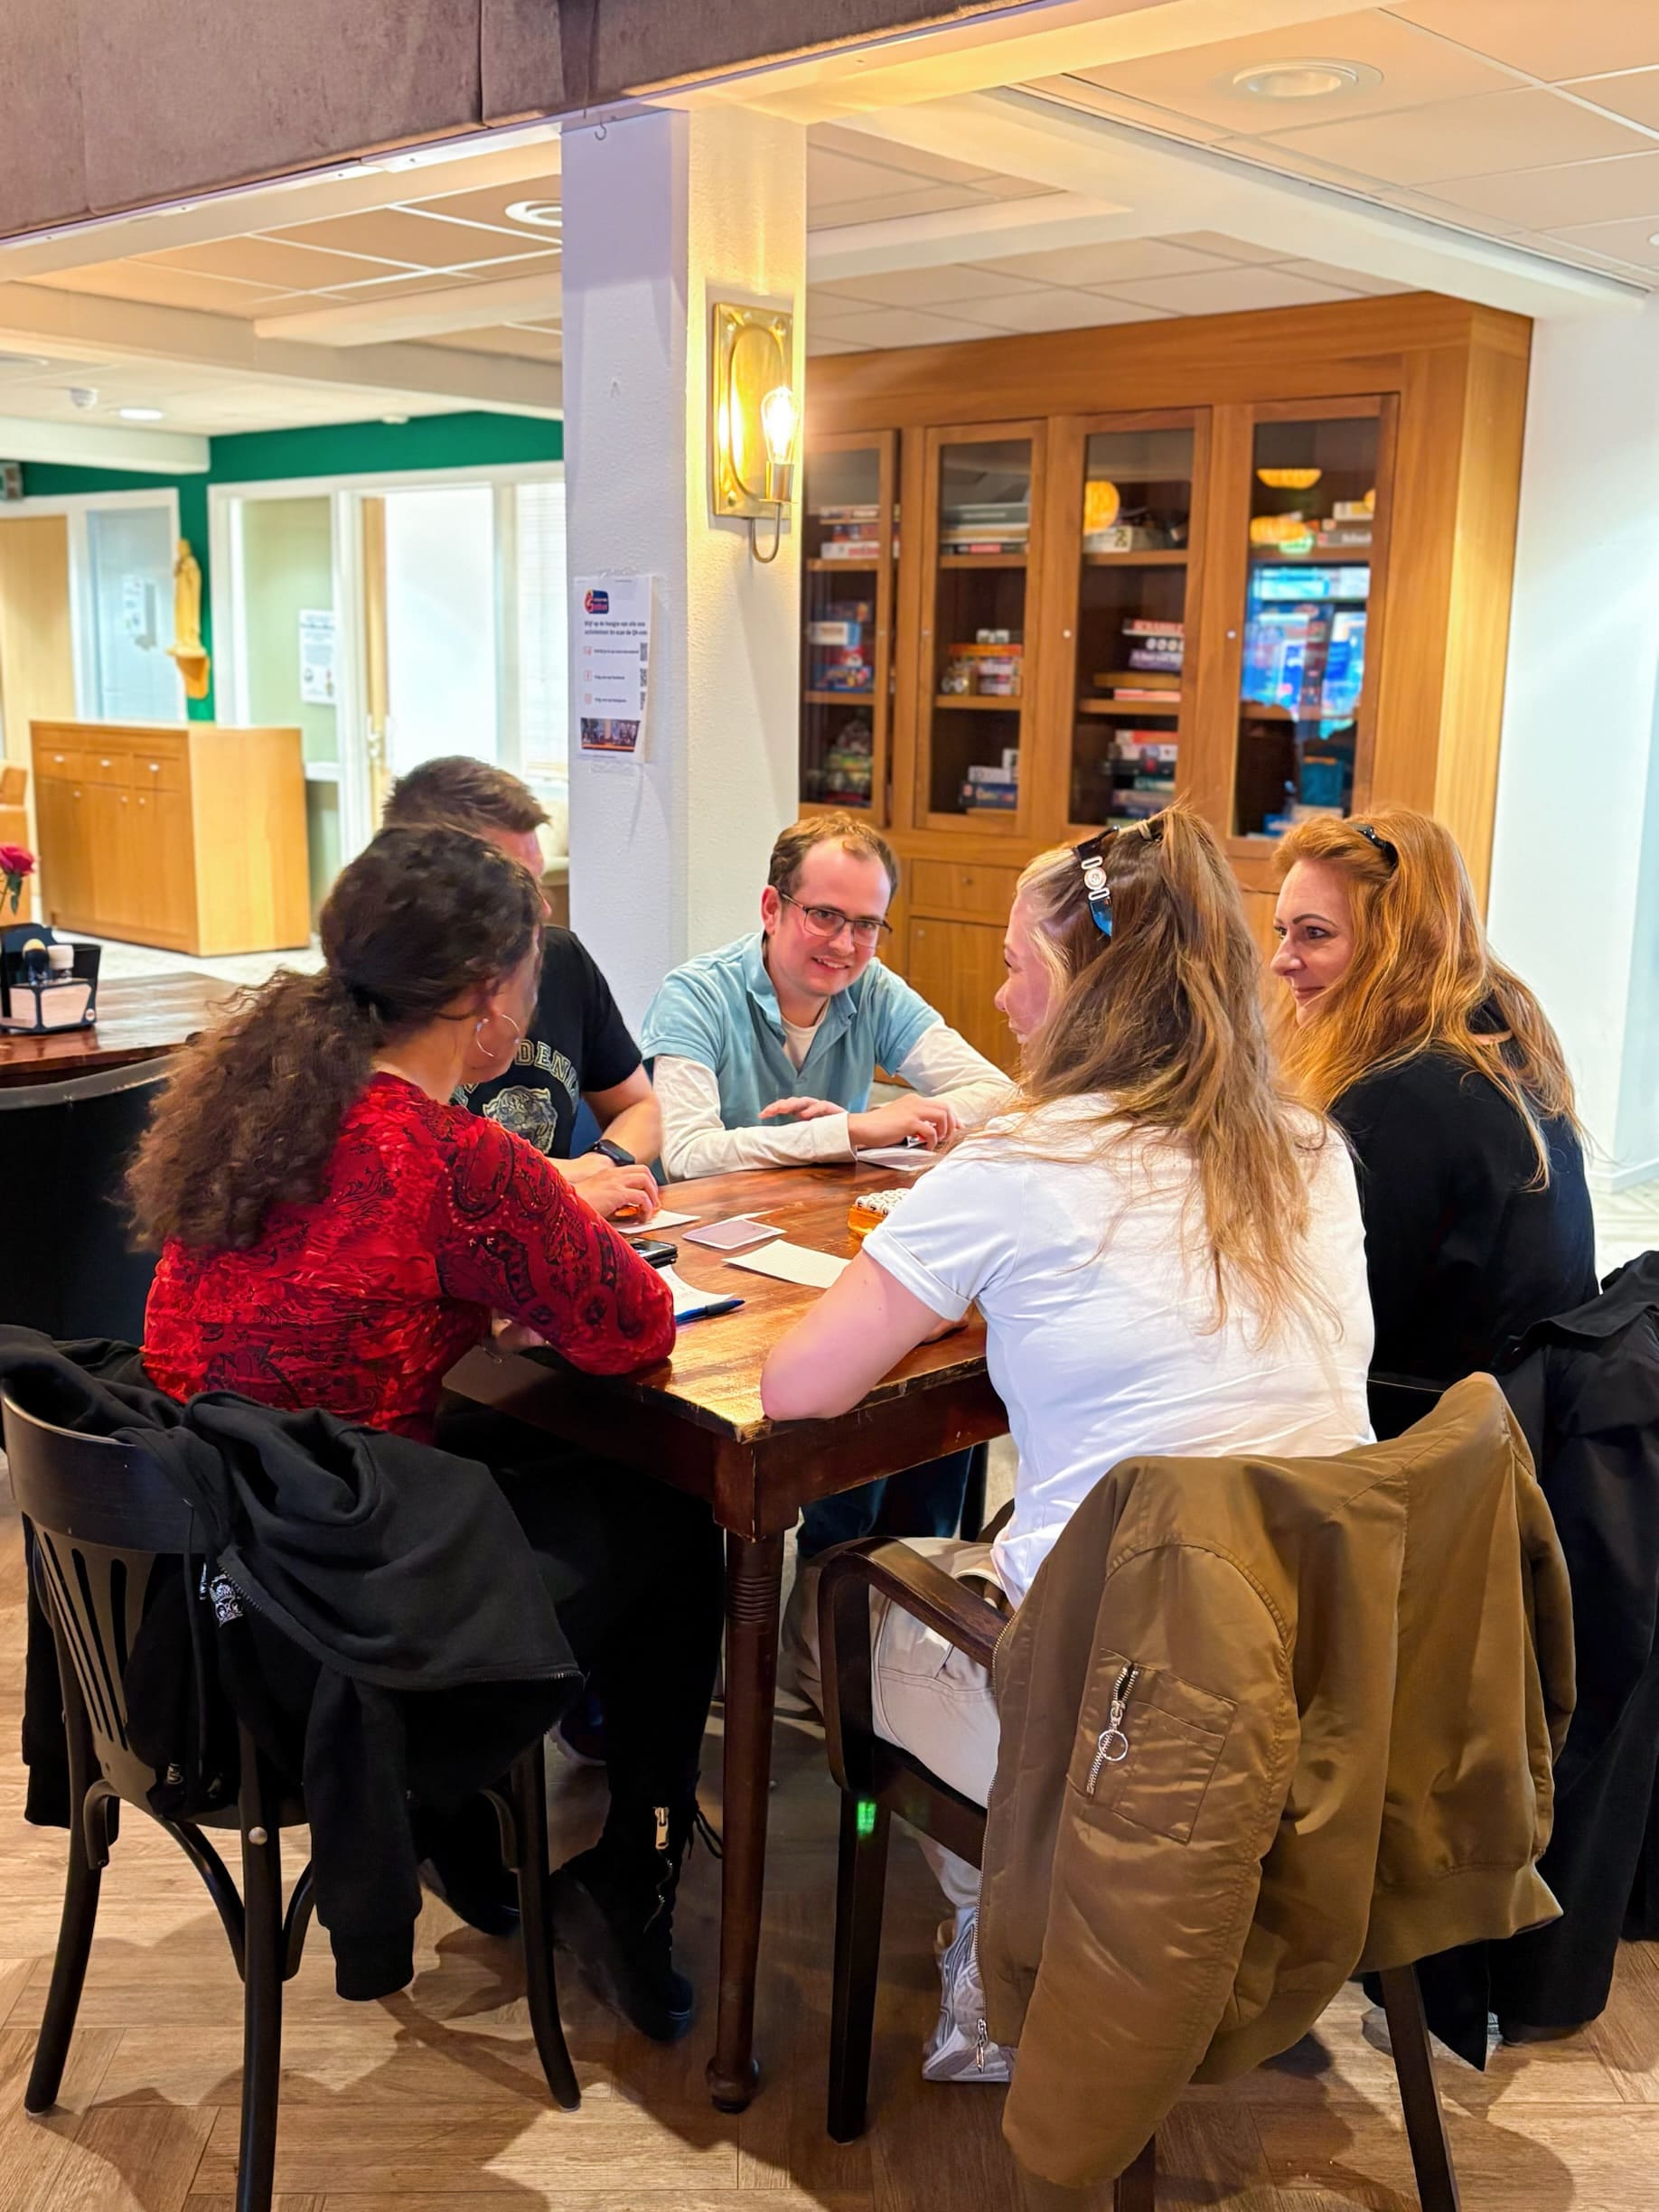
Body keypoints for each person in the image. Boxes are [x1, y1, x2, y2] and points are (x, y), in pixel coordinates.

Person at [762, 809, 1374, 2080]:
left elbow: (798, 1386)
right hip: (1323, 1683)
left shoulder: (1020, 1166)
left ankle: (1005, 1959)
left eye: (1015, 969)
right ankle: (1085, 1933)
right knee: (1026, 1530)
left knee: (851, 1597)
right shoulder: (1314, 1151)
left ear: (1084, 989)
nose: (999, 1000)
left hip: (1120, 1719)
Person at [132, 825, 723, 2044]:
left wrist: (474, 1283)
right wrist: (534, 1241)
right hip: (331, 1620)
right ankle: (627, 1866)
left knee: (519, 1460)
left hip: (201, 1576)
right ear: (486, 999)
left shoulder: (259, 1108)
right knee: (671, 1514)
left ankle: (461, 1818)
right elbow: (633, 1326)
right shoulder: (455, 1156)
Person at [642, 812, 1010, 1557]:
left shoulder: (873, 989)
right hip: (714, 1272)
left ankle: (880, 1583)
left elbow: (998, 1095)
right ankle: (837, 1582)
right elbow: (685, 1155)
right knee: (854, 1395)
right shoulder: (696, 994)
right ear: (772, 907)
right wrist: (851, 1131)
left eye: (867, 925)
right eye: (825, 916)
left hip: (829, 1252)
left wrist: (861, 1121)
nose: (845, 944)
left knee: (934, 1380)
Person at [1270, 808, 1596, 1401]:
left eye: (1314, 934)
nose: (1282, 960)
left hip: (1448, 1434)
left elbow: (1333, 1321)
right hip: (1530, 1413)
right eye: (1282, 932)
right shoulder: (1501, 1045)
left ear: (1395, 945)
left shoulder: (1398, 1096)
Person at [382, 756, 662, 1223]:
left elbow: (641, 1107)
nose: (544, 907)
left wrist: (601, 1163)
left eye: (536, 879)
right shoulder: (382, 996)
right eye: (516, 885)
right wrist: (561, 1188)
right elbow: (424, 1176)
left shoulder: (561, 960)